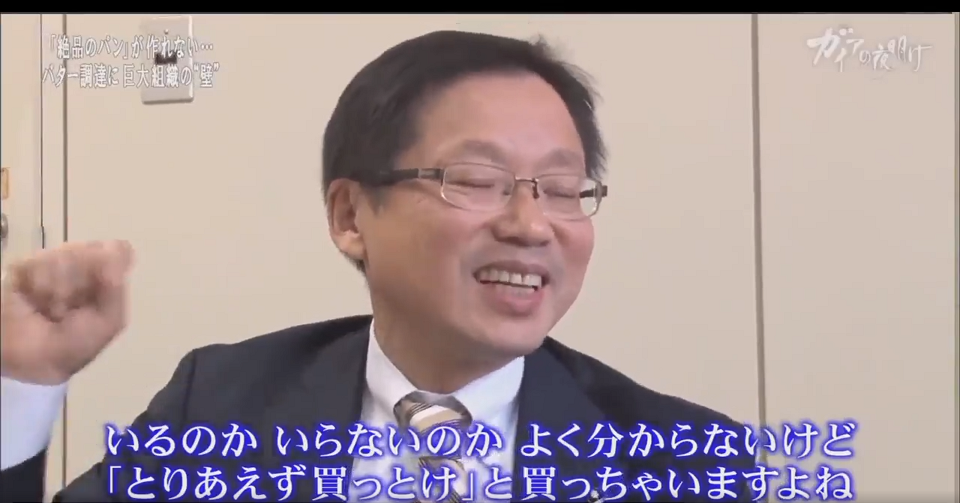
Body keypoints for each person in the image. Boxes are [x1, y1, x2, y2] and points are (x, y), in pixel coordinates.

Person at [0, 31, 755, 503]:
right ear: (350, 216)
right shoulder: (222, 405)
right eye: (476, 179)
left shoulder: (685, 461)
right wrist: (23, 385)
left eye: (562, 189)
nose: (530, 225)